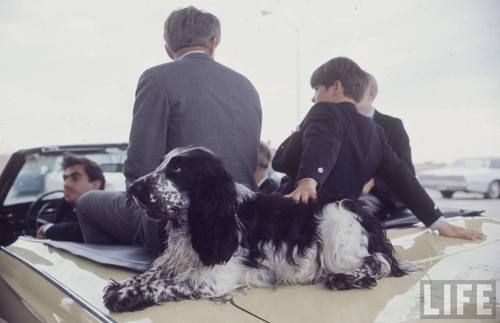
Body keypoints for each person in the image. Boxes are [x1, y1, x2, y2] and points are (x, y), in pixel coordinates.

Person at [76, 6, 262, 250]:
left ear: (167, 48)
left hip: (181, 224)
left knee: (87, 202)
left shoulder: (157, 78)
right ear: (213, 42)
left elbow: (139, 166)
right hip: (242, 222)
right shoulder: (247, 86)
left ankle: (128, 271)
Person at [275, 57, 482, 240]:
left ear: (336, 88)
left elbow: (319, 144)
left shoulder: (324, 110)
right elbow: (403, 178)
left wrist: (308, 181)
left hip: (296, 219)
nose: (313, 97)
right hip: (339, 227)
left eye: (317, 89)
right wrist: (438, 222)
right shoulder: (375, 131)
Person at [357, 73, 415, 220]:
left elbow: (406, 170)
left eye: (356, 89)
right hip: (345, 194)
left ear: (370, 95)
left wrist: (373, 182)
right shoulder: (338, 125)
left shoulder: (392, 125)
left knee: (353, 213)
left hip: (381, 197)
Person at [36, 153, 105, 242]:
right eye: (65, 178)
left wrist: (47, 229)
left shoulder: (103, 211)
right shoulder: (67, 207)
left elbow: (85, 230)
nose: (66, 184)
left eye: (75, 178)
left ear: (95, 185)